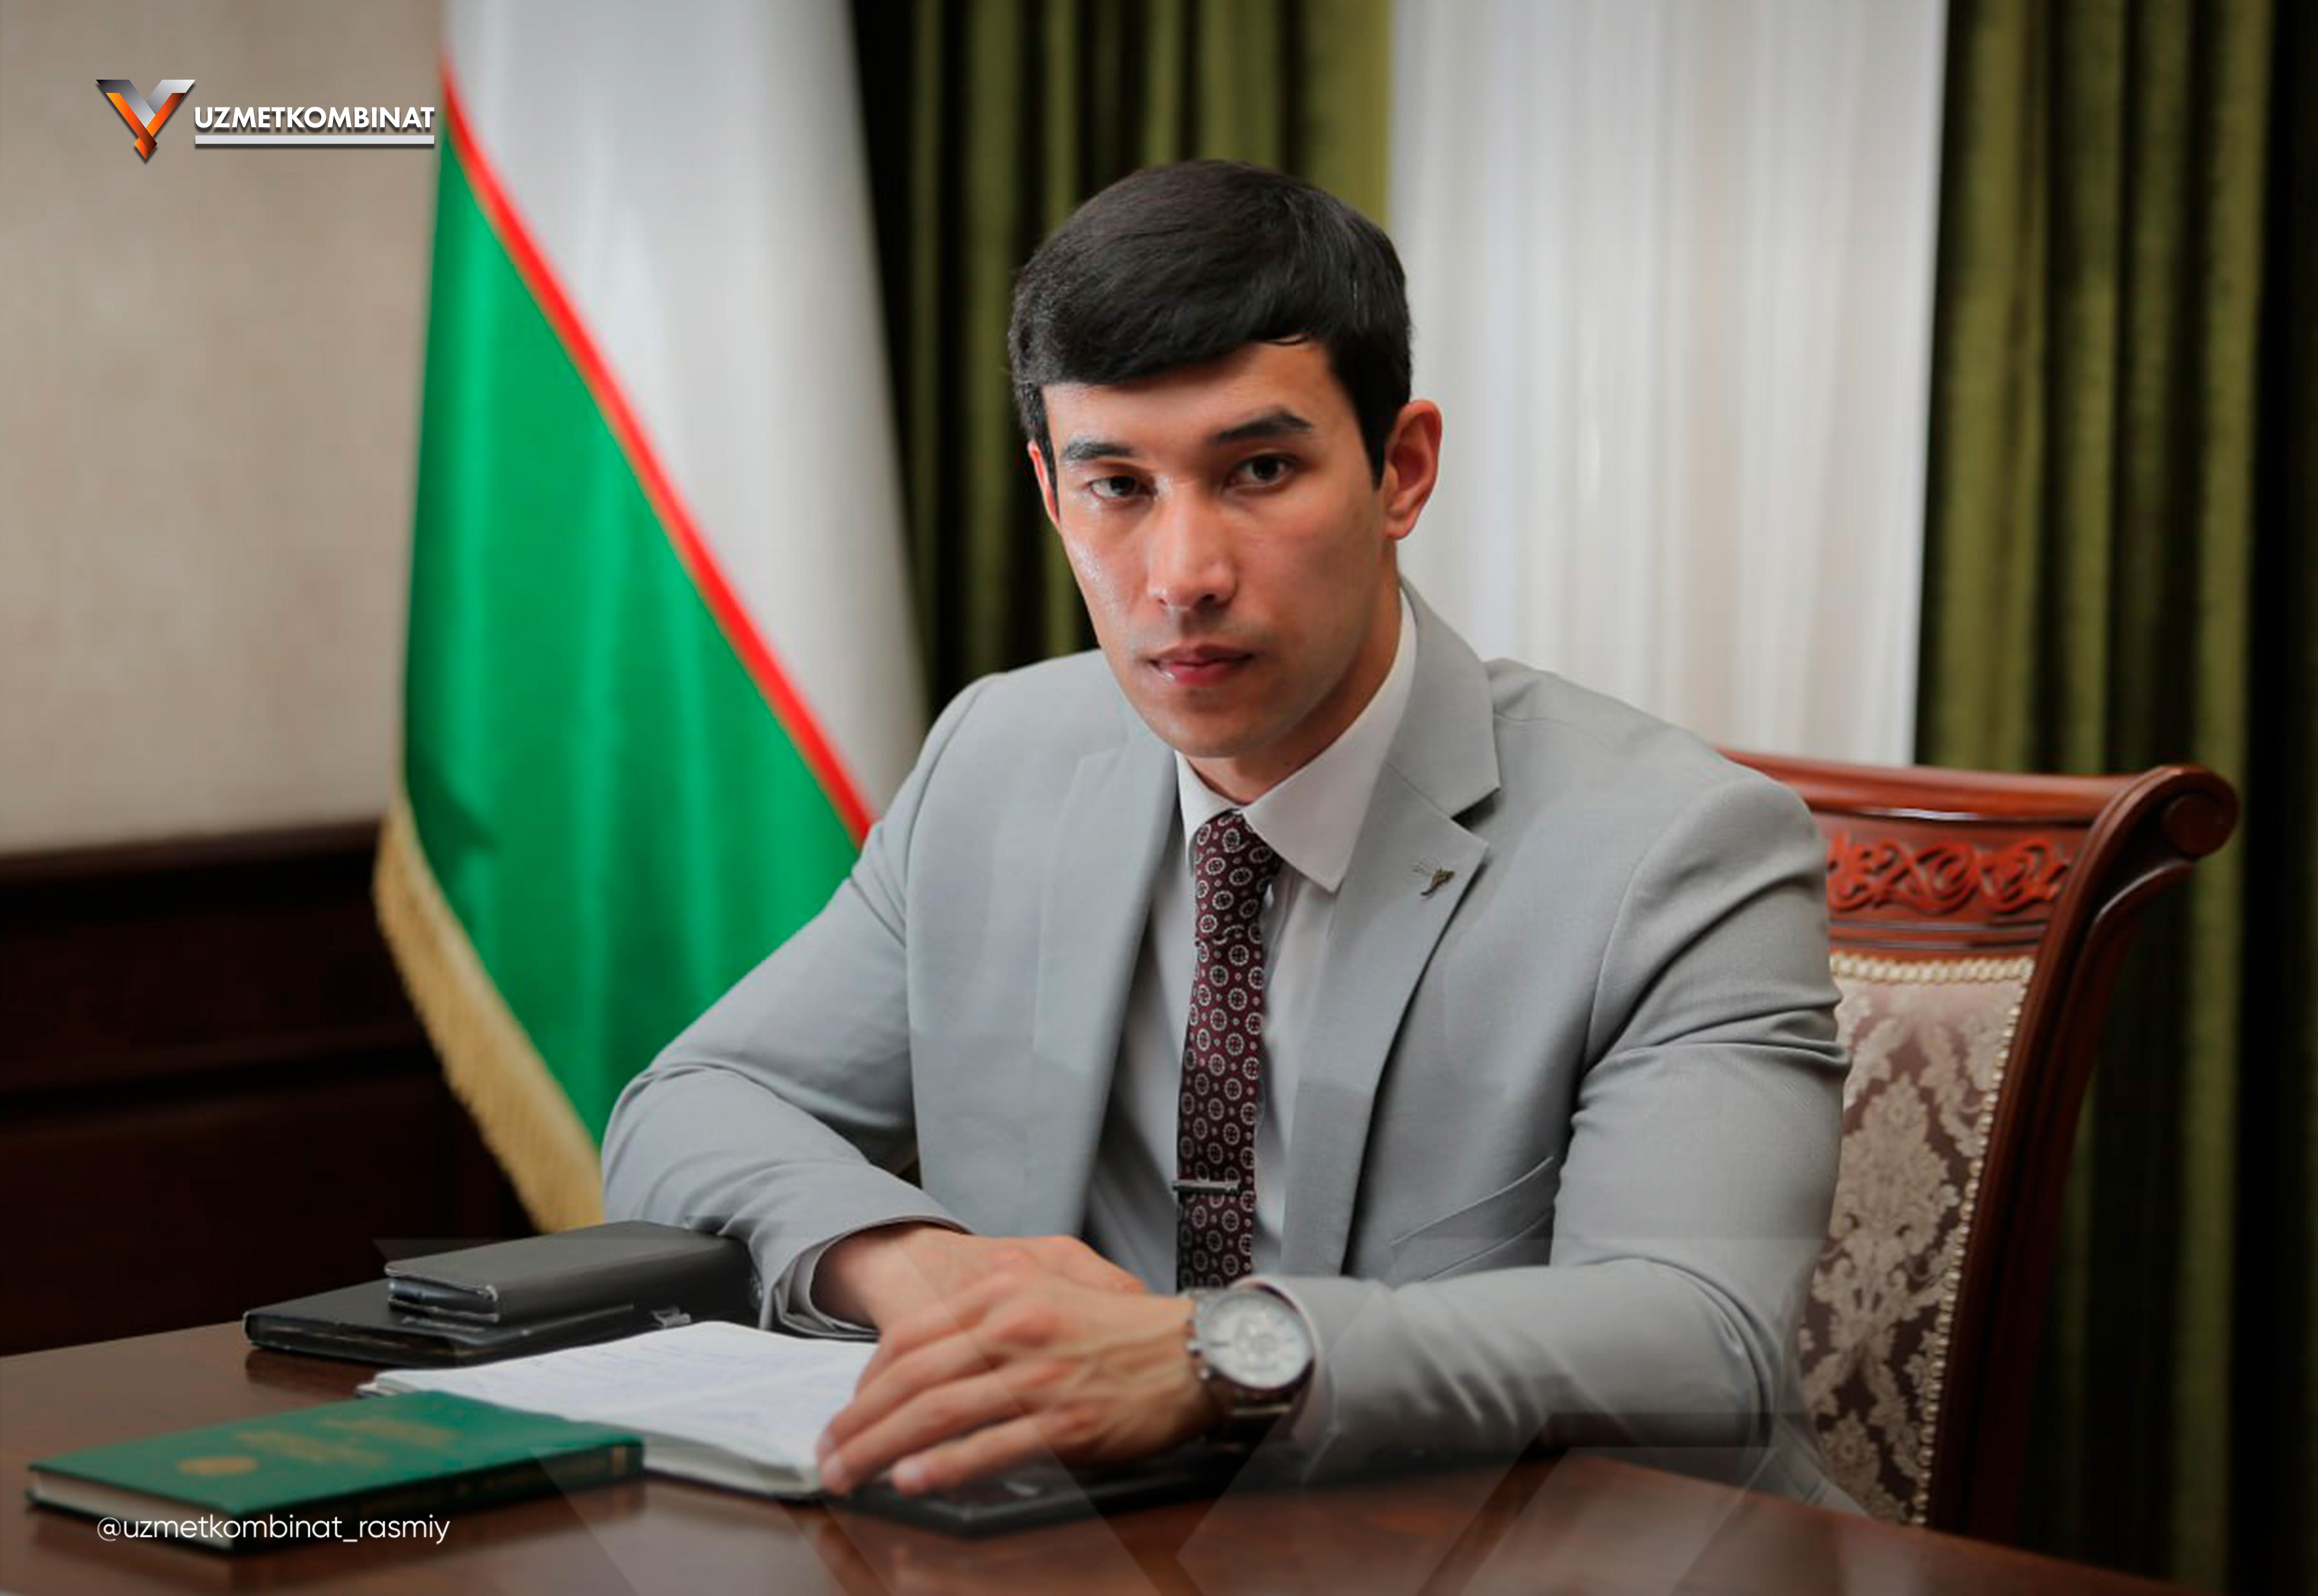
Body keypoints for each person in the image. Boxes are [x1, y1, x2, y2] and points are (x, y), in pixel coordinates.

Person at [603, 159, 1851, 1509]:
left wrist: (1220, 1356)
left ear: (1401, 471)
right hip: (1084, 1548)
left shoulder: (1681, 849)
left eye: (1259, 470)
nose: (1183, 576)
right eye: (1118, 485)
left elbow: (1700, 1340)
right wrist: (916, 1265)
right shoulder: (997, 762)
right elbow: (687, 1107)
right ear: (1050, 494)